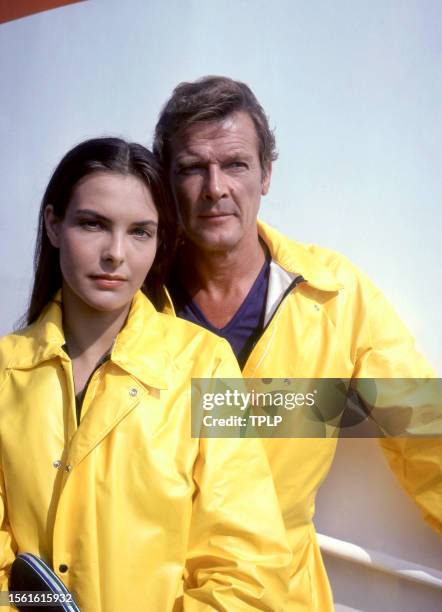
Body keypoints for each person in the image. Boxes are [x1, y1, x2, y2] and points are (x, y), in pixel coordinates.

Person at [153, 76, 442, 610]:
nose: (215, 187)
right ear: (165, 183)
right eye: (193, 168)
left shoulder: (333, 297)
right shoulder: (130, 303)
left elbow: (424, 427)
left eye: (236, 164)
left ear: (266, 175)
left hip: (281, 596)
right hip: (151, 591)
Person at [0, 137, 292, 611]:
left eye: (140, 232)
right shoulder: (6, 369)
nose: (115, 253)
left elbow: (245, 568)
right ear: (54, 225)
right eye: (93, 224)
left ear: (159, 244)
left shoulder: (206, 367)